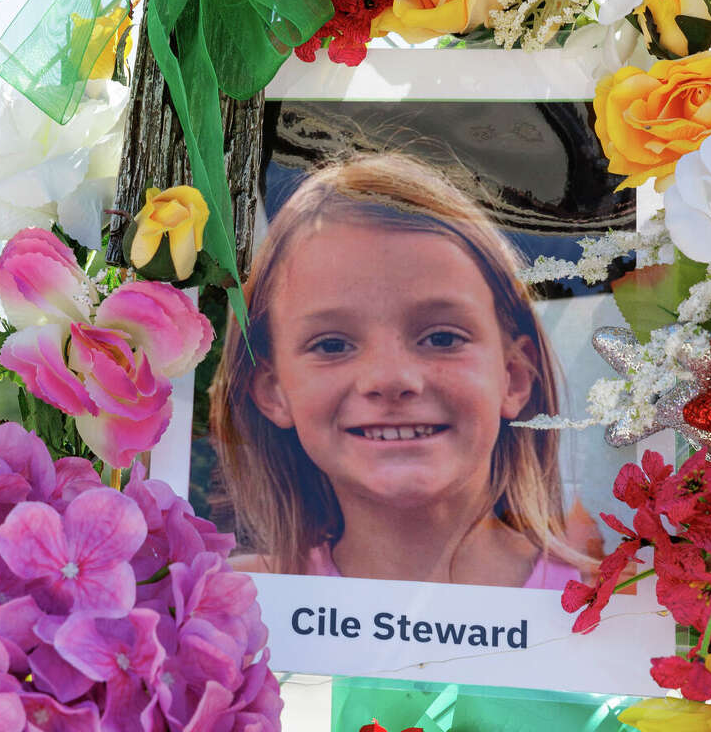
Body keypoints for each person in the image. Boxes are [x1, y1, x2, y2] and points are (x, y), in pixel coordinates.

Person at [209, 153, 597, 589]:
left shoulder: (625, 605)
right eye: (332, 345)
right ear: (273, 391)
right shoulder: (224, 605)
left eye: (442, 338)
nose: (390, 379)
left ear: (514, 377)